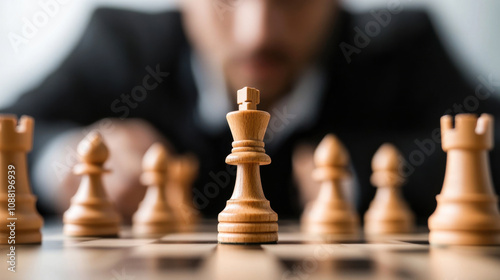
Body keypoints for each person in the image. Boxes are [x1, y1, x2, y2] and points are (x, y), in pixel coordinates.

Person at [3, 0, 500, 223]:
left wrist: (352, 174)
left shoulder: (403, 46)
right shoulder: (119, 46)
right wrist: (64, 164)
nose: (257, 32)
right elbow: (7, 137)